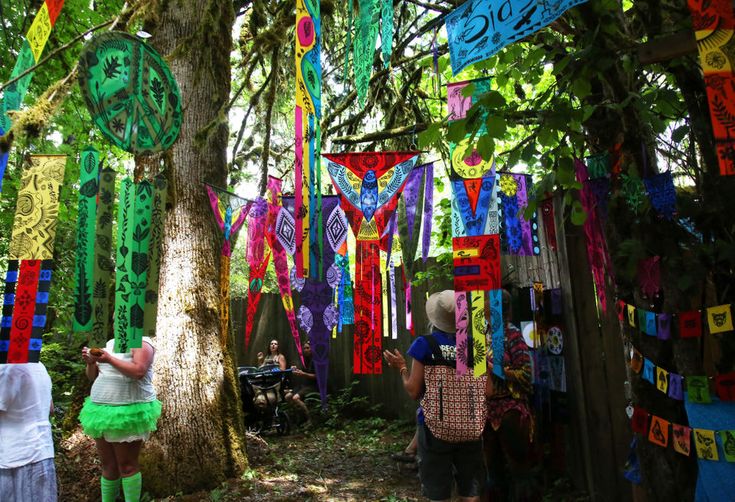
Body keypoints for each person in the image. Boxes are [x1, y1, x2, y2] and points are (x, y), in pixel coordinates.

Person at [384, 289, 491, 502]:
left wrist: (402, 369)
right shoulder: (475, 346)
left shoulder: (425, 345)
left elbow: (414, 391)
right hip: (471, 428)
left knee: (437, 493)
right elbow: (488, 391)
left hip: (436, 430)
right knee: (470, 492)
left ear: (436, 318)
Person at [79, 338, 161, 502]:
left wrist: (108, 359)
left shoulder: (142, 342)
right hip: (101, 411)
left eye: (121, 316)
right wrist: (90, 363)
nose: (117, 321)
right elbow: (92, 376)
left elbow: (138, 371)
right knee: (108, 466)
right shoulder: (109, 343)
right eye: (115, 319)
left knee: (126, 465)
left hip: (127, 410)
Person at [483, 289, 538, 502]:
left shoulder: (513, 334)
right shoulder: (483, 334)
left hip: (511, 408)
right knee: (493, 471)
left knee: (519, 469)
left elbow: (526, 373)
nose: (483, 303)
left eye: (487, 300)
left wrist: (495, 368)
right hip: (487, 411)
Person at [0, 362, 57, 502]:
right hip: (42, 452)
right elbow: (50, 408)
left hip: (15, 456)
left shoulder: (7, 368)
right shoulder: (39, 365)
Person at [285, 339, 316, 425]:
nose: (305, 350)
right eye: (304, 348)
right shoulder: (306, 360)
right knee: (288, 397)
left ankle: (310, 419)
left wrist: (303, 374)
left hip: (314, 386)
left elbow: (317, 376)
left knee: (295, 398)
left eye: (307, 348)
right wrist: (296, 370)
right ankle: (299, 416)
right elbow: (303, 372)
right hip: (304, 385)